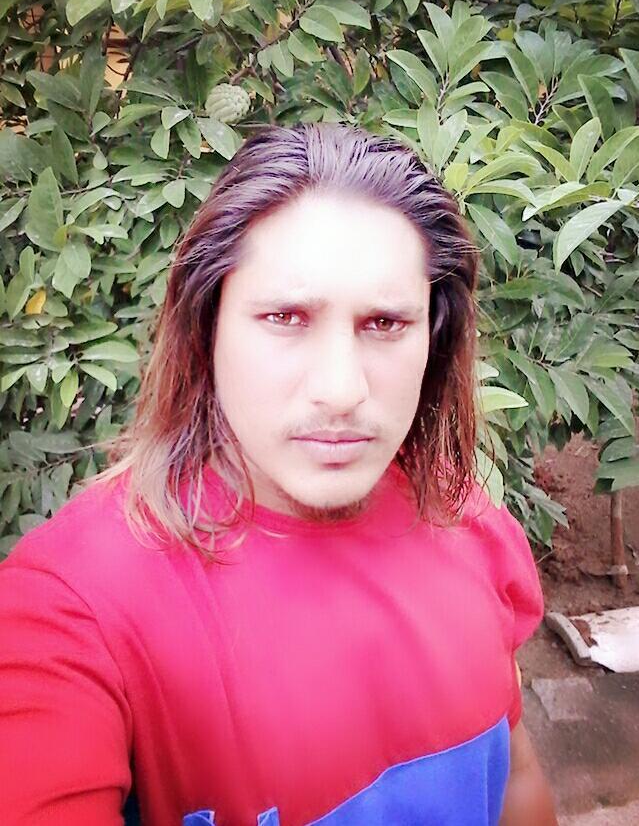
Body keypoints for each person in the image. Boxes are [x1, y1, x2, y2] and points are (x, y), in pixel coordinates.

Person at [0, 123, 557, 825]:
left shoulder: (468, 524)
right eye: (286, 317)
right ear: (207, 325)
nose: (340, 390)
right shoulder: (71, 608)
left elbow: (514, 776)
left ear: (433, 337)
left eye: (384, 324)